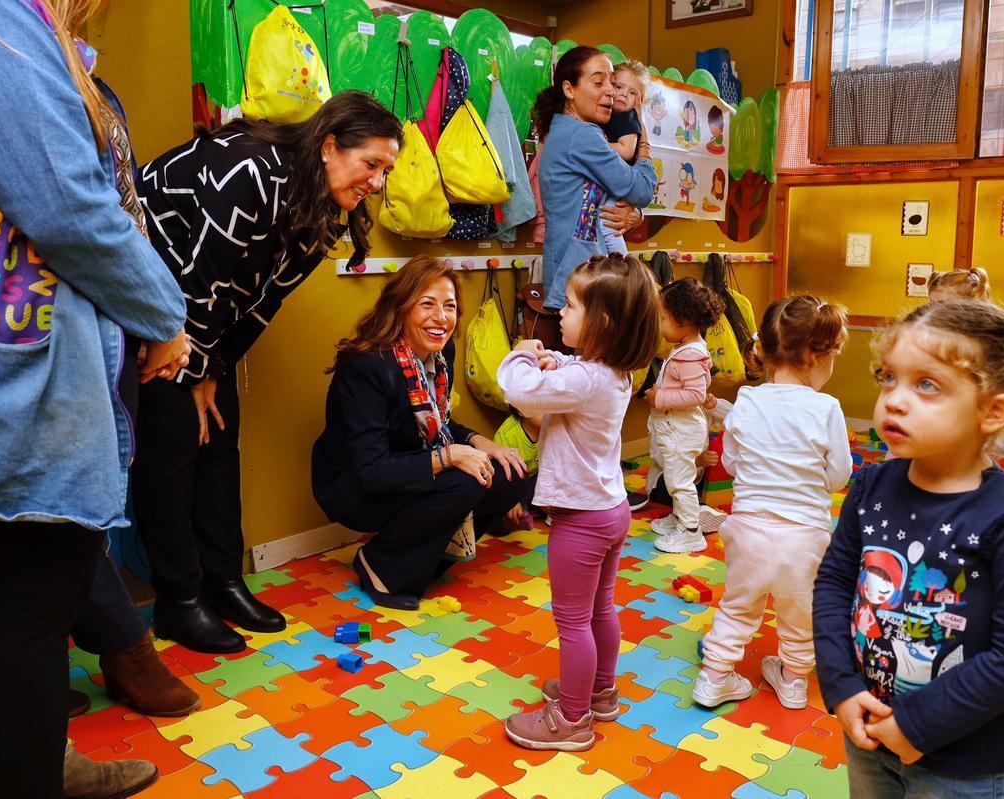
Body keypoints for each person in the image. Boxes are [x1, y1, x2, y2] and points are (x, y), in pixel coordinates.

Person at [0, 1, 190, 796]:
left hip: (18, 345)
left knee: (11, 589)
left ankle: (36, 760)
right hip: (14, 364)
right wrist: (161, 313)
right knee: (35, 598)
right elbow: (65, 202)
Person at [132, 91, 403, 653]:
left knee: (220, 439)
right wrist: (195, 367)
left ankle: (223, 581)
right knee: (175, 445)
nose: (377, 182)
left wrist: (214, 369)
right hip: (154, 313)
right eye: (371, 165)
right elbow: (198, 279)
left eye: (386, 171)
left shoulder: (327, 208)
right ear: (329, 146)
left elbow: (262, 303)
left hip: (205, 329)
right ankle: (177, 602)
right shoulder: (251, 169)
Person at [813, 300, 1004, 799]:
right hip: (869, 733)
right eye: (889, 378)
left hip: (960, 765)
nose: (894, 400)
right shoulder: (871, 485)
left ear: (993, 411)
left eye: (926, 385)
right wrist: (841, 686)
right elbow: (834, 583)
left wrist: (918, 726)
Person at [499, 254, 660, 752]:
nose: (559, 313)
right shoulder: (611, 372)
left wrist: (525, 353)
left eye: (568, 306)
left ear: (602, 323)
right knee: (599, 610)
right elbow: (576, 375)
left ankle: (571, 719)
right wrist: (559, 361)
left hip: (580, 522)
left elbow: (517, 388)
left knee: (572, 622)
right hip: (610, 513)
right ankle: (599, 692)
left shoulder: (583, 380)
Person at [311, 256, 530, 610]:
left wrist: (483, 443)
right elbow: (371, 472)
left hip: (409, 464)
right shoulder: (368, 367)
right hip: (355, 487)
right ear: (400, 308)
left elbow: (439, 423)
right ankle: (380, 564)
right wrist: (449, 456)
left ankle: (429, 557)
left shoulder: (441, 355)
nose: (441, 318)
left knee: (509, 470)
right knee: (468, 480)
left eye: (450, 307)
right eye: (427, 304)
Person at [691, 296, 852, 709]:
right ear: (817, 356)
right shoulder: (827, 407)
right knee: (800, 614)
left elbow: (730, 460)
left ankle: (714, 678)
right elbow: (838, 477)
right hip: (804, 537)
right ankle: (794, 681)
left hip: (747, 530)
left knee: (738, 607)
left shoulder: (747, 400)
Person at [533, 46, 657, 314]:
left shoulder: (565, 131)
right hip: (585, 286)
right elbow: (642, 189)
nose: (611, 91)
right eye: (599, 82)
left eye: (611, 83)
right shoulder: (581, 135)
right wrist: (644, 144)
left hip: (577, 281)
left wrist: (635, 214)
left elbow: (603, 199)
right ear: (569, 89)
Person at [645, 278, 725, 554]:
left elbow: (694, 395)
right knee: (676, 476)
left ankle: (691, 531)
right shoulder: (685, 350)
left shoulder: (690, 354)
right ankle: (681, 518)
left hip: (682, 428)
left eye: (663, 318)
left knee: (680, 480)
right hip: (675, 427)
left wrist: (660, 397)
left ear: (684, 321)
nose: (660, 324)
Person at [599, 60, 651, 259]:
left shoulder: (626, 118)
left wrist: (596, 146)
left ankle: (622, 262)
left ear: (639, 101)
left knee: (609, 225)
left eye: (632, 93)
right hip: (614, 184)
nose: (623, 94)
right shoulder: (611, 116)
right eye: (618, 87)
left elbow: (627, 151)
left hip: (618, 186)